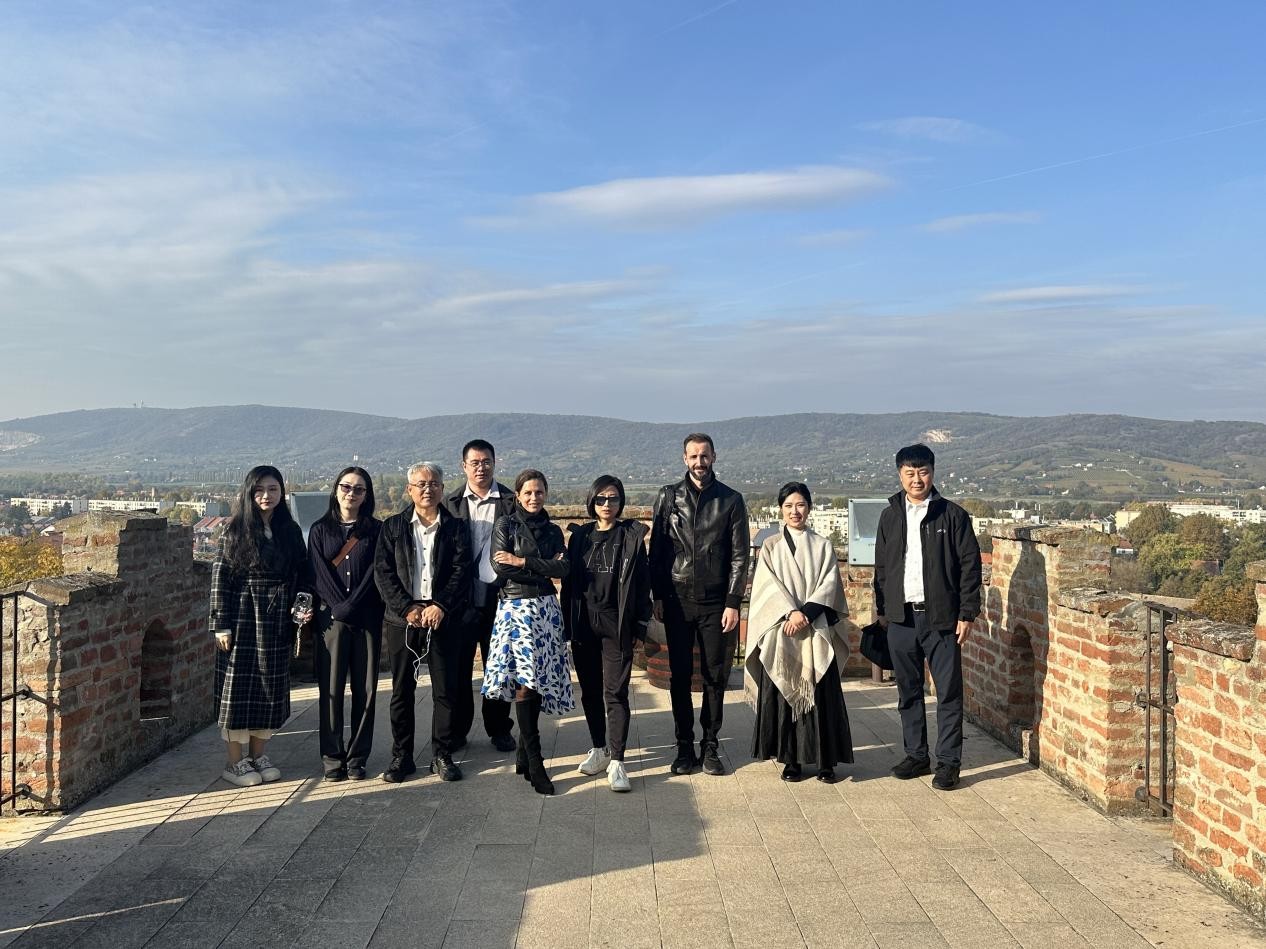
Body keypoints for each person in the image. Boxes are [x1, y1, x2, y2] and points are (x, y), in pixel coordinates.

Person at [873, 444, 982, 791]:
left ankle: (948, 763)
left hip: (942, 619)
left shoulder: (953, 516)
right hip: (901, 618)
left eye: (923, 472)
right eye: (910, 473)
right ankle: (916, 755)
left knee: (948, 693)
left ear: (933, 473)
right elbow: (881, 568)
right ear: (900, 475)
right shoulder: (890, 516)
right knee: (908, 691)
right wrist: (882, 610)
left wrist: (967, 613)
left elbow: (970, 567)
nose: (916, 479)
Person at [649, 433, 750, 776]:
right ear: (684, 459)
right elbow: (657, 551)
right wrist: (658, 595)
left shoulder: (731, 500)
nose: (699, 462)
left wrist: (733, 602)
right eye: (693, 456)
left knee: (714, 676)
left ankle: (710, 746)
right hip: (677, 600)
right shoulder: (668, 497)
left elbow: (740, 556)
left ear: (714, 457)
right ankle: (683, 747)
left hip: (716, 602)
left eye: (704, 456)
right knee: (679, 676)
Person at [211, 465, 312, 787]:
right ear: (249, 493)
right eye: (259, 490)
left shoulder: (289, 530)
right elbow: (220, 577)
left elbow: (303, 573)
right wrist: (221, 624)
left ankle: (258, 755)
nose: (266, 496)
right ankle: (234, 762)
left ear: (282, 492)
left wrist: (300, 606)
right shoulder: (234, 529)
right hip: (242, 614)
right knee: (237, 689)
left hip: (277, 615)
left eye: (272, 489)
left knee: (269, 688)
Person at [744, 482, 853, 783]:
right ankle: (790, 759)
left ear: (809, 508)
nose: (795, 511)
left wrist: (806, 614)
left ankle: (826, 762)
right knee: (785, 694)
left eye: (801, 505)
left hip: (816, 628)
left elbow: (830, 585)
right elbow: (767, 585)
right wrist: (790, 613)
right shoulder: (771, 546)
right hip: (782, 630)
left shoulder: (823, 545)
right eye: (789, 506)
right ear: (781, 509)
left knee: (821, 696)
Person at [374, 462, 470, 783]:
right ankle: (402, 756)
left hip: (442, 617)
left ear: (442, 488)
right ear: (409, 489)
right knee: (402, 691)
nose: (428, 489)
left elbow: (462, 571)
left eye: (434, 483)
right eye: (421, 484)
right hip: (403, 619)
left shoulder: (456, 528)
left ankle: (442, 754)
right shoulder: (393, 527)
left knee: (445, 690)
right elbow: (383, 572)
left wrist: (441, 605)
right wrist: (406, 608)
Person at [483, 469, 572, 795]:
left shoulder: (553, 530)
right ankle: (535, 761)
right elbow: (500, 567)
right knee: (525, 684)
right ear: (518, 496)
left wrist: (523, 562)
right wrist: (542, 567)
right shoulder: (505, 525)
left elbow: (564, 568)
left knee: (536, 684)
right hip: (516, 610)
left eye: (539, 492)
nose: (534, 498)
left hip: (546, 611)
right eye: (528, 493)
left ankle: (523, 753)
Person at [561, 475, 652, 793]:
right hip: (584, 622)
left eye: (613, 498)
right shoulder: (580, 537)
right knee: (589, 691)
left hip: (617, 622)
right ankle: (599, 749)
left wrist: (641, 625)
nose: (607, 504)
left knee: (615, 692)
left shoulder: (631, 536)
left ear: (621, 502)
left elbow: (642, 583)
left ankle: (618, 761)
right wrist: (567, 624)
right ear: (591, 501)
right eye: (600, 499)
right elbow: (569, 585)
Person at [307, 466, 384, 782]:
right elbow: (318, 573)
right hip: (332, 620)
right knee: (331, 690)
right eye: (346, 487)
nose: (351, 493)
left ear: (367, 495)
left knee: (365, 690)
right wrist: (340, 606)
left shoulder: (377, 530)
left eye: (359, 489)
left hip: (367, 617)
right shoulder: (319, 530)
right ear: (336, 489)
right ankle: (332, 757)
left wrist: (352, 605)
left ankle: (357, 757)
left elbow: (377, 571)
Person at [443, 440, 517, 753]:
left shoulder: (512, 502)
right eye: (474, 462)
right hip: (460, 601)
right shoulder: (449, 503)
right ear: (464, 466)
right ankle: (458, 730)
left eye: (486, 462)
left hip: (499, 598)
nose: (481, 468)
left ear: (494, 463)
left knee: (499, 667)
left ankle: (499, 729)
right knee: (459, 669)